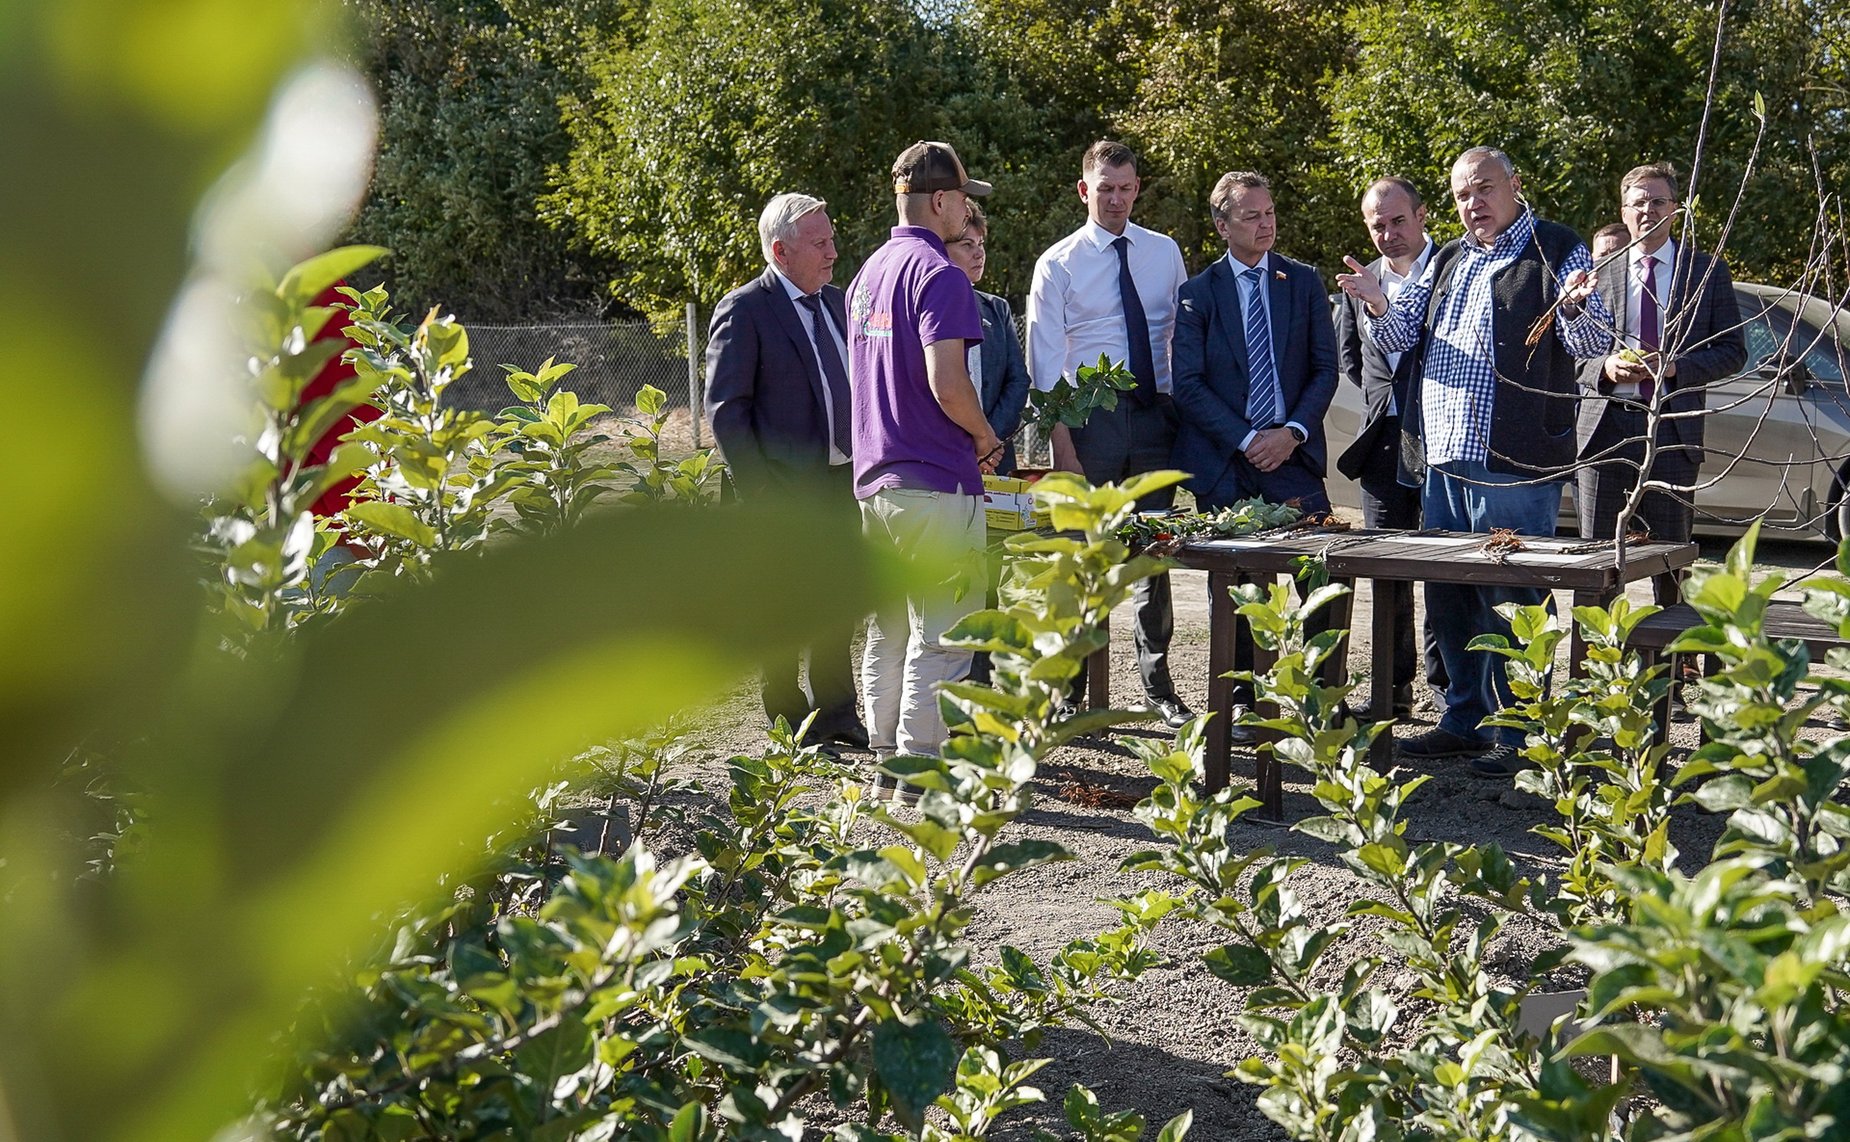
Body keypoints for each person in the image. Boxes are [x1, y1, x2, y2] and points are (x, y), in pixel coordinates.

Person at [1336, 146, 1610, 775]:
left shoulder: (1554, 246)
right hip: (1442, 459)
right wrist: (1378, 301)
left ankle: (1522, 736)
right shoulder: (1451, 258)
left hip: (1512, 460)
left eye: (1484, 189)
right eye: (1462, 195)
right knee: (1450, 596)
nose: (1473, 203)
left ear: (1515, 185)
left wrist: (1573, 304)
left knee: (1511, 597)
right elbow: (1400, 338)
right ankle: (1463, 719)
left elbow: (1593, 344)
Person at [1026, 140, 1192, 727]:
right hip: (1088, 421)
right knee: (1084, 557)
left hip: (1154, 416)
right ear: (1084, 191)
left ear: (1137, 188)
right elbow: (1044, 365)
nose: (1116, 199)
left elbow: (1178, 337)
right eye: (1105, 189)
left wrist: (1181, 416)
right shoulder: (1059, 263)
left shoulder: (1164, 252)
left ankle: (1158, 685)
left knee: (1151, 552)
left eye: (1125, 188)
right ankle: (1068, 693)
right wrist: (1062, 446)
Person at [1171, 171, 1339, 734]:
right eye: (1251, 216)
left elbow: (1324, 368)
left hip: (1293, 455)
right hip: (1224, 462)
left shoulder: (1304, 281)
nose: (1266, 224)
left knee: (1323, 576)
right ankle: (1243, 700)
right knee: (1239, 587)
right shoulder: (1197, 294)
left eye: (1269, 213)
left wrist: (1289, 431)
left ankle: (1318, 697)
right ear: (1222, 225)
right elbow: (1188, 384)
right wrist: (1247, 439)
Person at [849, 141, 999, 765]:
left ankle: (887, 752)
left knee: (888, 630)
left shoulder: (869, 271)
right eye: (964, 200)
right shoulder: (940, 274)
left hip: (875, 480)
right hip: (935, 479)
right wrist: (986, 436)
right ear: (941, 200)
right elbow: (948, 382)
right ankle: (919, 764)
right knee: (942, 636)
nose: (968, 212)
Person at [705, 193, 870, 749]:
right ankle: (784, 717)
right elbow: (726, 411)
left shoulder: (839, 304)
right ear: (781, 250)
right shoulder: (746, 308)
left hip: (840, 483)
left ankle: (836, 712)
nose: (833, 251)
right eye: (820, 243)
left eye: (831, 239)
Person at [1575, 162, 1744, 603]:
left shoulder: (1705, 271)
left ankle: (1671, 666)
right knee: (1596, 564)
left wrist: (1673, 369)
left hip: (1671, 430)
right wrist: (1605, 368)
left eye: (1657, 201)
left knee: (1672, 566)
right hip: (1604, 430)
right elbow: (1572, 353)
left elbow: (1733, 352)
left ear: (1676, 209)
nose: (1647, 210)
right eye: (1637, 203)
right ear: (1624, 211)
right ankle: (1592, 664)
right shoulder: (1597, 272)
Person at [1334, 177, 1445, 715]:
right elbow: (1352, 360)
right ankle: (1390, 690)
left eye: (1398, 221)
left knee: (1446, 570)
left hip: (1444, 440)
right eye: (1377, 225)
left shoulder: (1452, 271)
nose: (1388, 234)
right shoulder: (1360, 283)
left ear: (1422, 215)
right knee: (1387, 572)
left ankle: (1449, 691)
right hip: (1382, 447)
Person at [944, 202, 1032, 474]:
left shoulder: (997, 308)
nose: (979, 254)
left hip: (997, 456)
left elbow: (1018, 380)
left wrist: (989, 439)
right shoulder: (929, 307)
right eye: (967, 245)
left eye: (981, 244)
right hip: (944, 456)